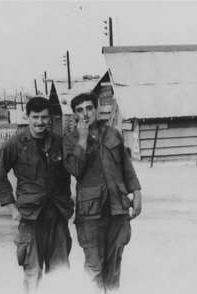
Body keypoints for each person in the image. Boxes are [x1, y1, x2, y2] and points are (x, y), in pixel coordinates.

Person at [0, 97, 74, 293]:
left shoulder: (59, 142)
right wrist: (12, 208)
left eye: (44, 117)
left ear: (50, 118)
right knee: (32, 269)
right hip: (30, 216)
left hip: (57, 215)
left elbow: (72, 171)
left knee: (60, 269)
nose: (40, 122)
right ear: (27, 116)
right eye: (35, 117)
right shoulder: (15, 144)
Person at [63, 92, 142, 293]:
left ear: (97, 110)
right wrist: (82, 140)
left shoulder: (112, 133)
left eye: (89, 108)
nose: (86, 114)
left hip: (117, 208)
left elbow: (126, 167)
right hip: (90, 214)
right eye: (80, 111)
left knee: (114, 265)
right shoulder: (69, 141)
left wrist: (137, 193)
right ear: (74, 116)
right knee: (94, 266)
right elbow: (74, 170)